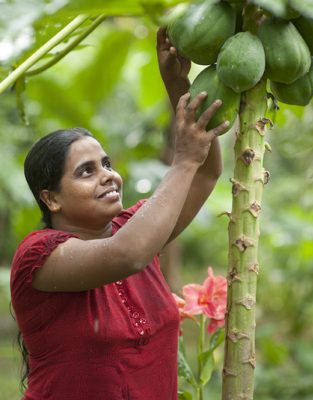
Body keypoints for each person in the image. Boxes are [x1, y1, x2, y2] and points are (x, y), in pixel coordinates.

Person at [10, 27, 229, 400]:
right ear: (52, 199)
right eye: (86, 171)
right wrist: (183, 159)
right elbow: (128, 254)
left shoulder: (137, 227)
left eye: (106, 164)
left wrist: (179, 85)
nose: (108, 175)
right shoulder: (39, 256)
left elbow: (206, 172)